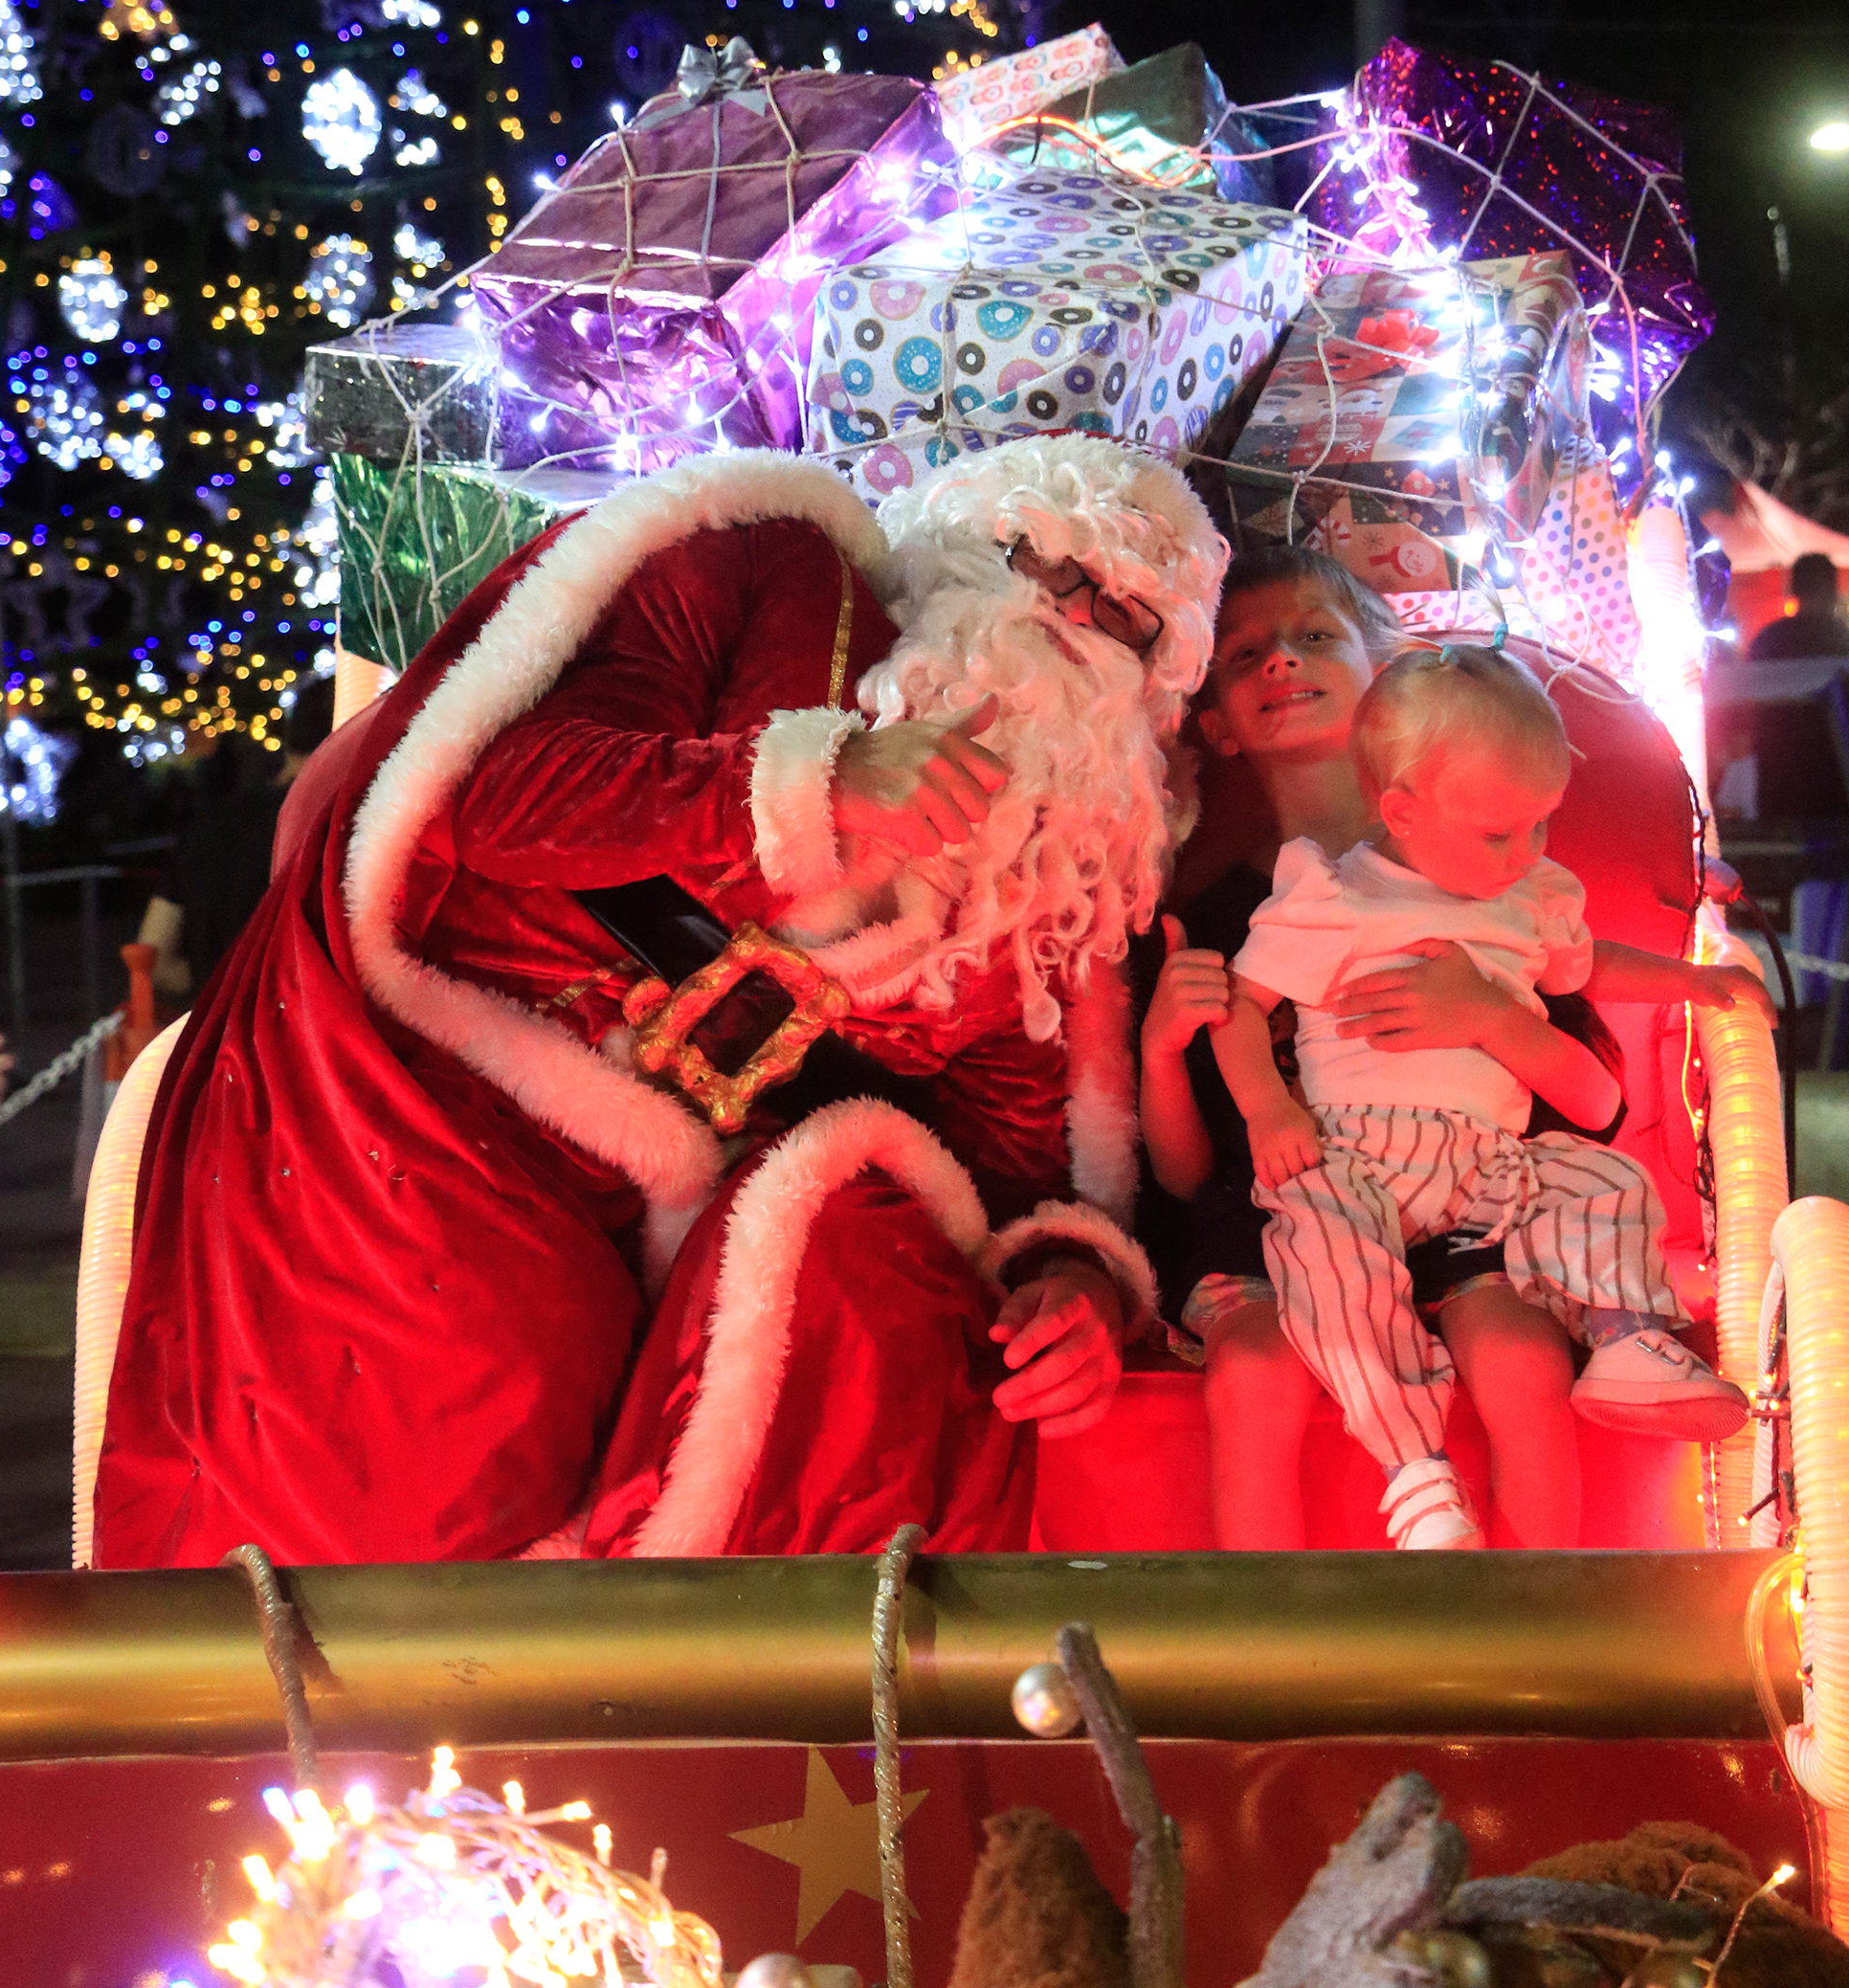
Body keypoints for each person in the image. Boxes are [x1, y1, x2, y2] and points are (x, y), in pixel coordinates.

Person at [93, 435, 1224, 1568]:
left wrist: (1068, 1280)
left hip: (707, 1212)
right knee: (452, 1435)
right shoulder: (768, 568)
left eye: (1129, 618)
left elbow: (1013, 1161)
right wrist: (817, 782)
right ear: (957, 535)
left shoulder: (1045, 894)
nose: (1073, 613)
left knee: (896, 1361)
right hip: (455, 1092)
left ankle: (750, 1676)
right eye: (1045, 558)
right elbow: (495, 792)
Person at [1152, 640, 1749, 1551]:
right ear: (1403, 812)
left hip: (1486, 1168)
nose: (1528, 853)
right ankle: (1416, 1472)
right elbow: (1242, 1004)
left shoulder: (1529, 895)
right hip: (1356, 1156)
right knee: (1335, 1266)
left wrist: (1691, 980)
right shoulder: (1338, 895)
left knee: (1607, 1180)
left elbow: (1585, 969)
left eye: (1542, 824)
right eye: (1500, 834)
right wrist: (1269, 1106)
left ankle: (1627, 1336)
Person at [131, 681, 339, 1016]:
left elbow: (154, 955)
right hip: (305, 1030)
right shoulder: (333, 829)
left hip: (220, 1030)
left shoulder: (209, 823)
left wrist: (216, 983)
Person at [1748, 551, 1849, 1032]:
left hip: (1777, 789)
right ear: (1832, 588)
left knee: (1783, 893)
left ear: (1793, 589)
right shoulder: (1847, 643)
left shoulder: (1767, 642)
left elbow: (1744, 720)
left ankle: (1788, 995)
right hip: (1838, 788)